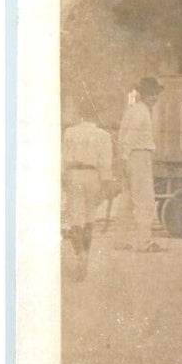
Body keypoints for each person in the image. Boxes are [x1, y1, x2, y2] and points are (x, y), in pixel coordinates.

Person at [114, 77, 166, 253]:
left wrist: (123, 158)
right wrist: (125, 156)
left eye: (156, 93)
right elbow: (130, 136)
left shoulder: (134, 110)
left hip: (131, 157)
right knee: (145, 201)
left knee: (127, 200)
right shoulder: (141, 111)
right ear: (142, 94)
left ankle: (120, 240)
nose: (154, 97)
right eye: (150, 93)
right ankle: (144, 242)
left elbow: (123, 136)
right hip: (138, 155)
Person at [62, 102, 114, 268]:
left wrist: (62, 177)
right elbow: (105, 163)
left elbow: (63, 158)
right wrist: (107, 183)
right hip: (93, 175)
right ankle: (86, 255)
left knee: (75, 217)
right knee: (90, 217)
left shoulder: (69, 132)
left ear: (81, 114)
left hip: (73, 174)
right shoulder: (103, 135)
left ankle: (80, 255)